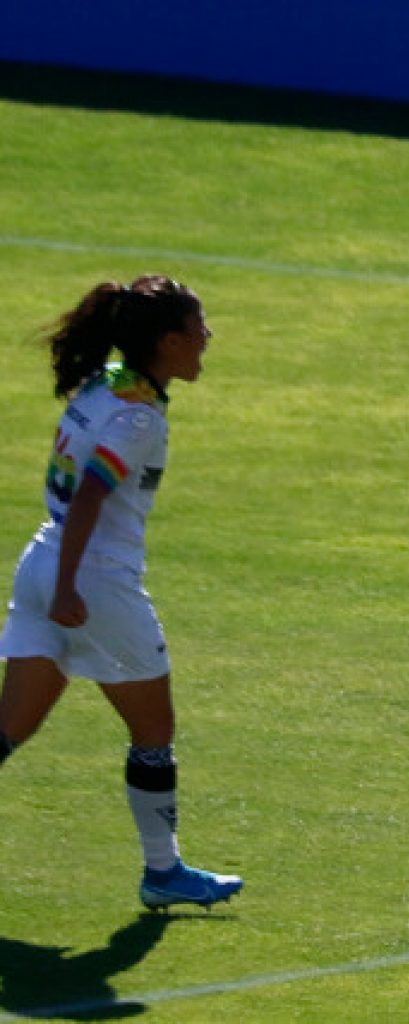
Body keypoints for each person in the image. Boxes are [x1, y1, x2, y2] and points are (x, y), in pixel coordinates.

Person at [0, 275, 244, 910]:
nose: (207, 339)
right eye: (197, 329)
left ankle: (164, 873)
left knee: (8, 730)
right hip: (92, 584)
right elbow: (89, 496)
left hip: (40, 561)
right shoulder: (137, 416)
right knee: (154, 730)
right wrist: (68, 592)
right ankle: (162, 872)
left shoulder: (109, 380)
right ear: (167, 341)